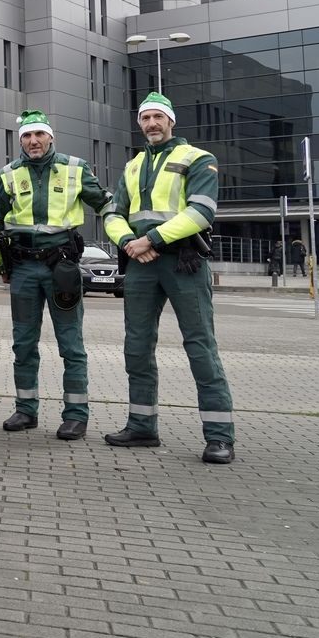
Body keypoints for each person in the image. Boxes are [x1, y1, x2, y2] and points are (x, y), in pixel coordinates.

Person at [103, 92, 236, 464]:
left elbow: (202, 211)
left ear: (171, 121)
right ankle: (142, 426)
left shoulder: (197, 158)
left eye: (158, 117)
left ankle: (220, 436)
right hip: (142, 263)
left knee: (200, 346)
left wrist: (153, 238)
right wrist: (130, 242)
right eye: (145, 118)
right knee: (137, 347)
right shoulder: (132, 166)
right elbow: (112, 214)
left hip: (183, 262)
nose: (151, 124)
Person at [0, 110, 113, 440]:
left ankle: (75, 415)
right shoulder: (7, 174)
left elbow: (104, 204)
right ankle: (25, 409)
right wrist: (3, 266)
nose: (33, 141)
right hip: (24, 269)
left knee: (71, 344)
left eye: (39, 135)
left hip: (61, 266)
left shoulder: (75, 167)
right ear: (21, 141)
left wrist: (127, 236)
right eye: (27, 137)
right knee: (23, 343)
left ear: (50, 137)